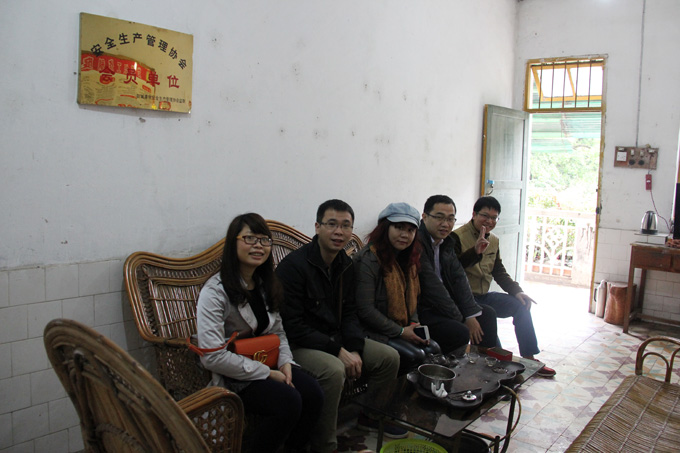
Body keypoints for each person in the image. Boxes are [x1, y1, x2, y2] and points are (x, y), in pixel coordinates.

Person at [276, 200, 402, 452]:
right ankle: (324, 445)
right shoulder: (294, 267)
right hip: (298, 345)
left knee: (389, 357)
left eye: (346, 226)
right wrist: (338, 351)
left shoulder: (345, 264)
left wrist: (353, 347)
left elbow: (350, 313)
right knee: (334, 370)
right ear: (317, 227)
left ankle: (370, 415)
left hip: (335, 339)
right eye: (332, 224)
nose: (339, 232)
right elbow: (292, 326)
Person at [196, 213, 324, 453]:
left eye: (264, 240)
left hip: (268, 361)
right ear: (233, 243)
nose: (258, 246)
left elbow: (278, 332)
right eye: (250, 238)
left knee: (313, 393)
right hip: (234, 375)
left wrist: (285, 363)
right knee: (289, 401)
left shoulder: (265, 284)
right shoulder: (215, 291)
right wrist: (266, 373)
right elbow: (211, 356)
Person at [354, 202, 469, 370]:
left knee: (434, 348)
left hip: (403, 325)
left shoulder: (409, 258)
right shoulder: (369, 259)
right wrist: (400, 331)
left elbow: (414, 298)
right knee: (415, 355)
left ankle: (429, 386)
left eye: (410, 230)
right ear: (385, 228)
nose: (405, 235)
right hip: (372, 330)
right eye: (398, 227)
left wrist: (414, 323)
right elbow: (365, 310)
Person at [452, 196, 556, 377]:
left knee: (521, 305)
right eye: (485, 216)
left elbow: (498, 271)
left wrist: (517, 291)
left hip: (484, 296)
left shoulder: (493, 240)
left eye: (494, 218)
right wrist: (474, 252)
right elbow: (452, 272)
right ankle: (493, 365)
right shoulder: (456, 237)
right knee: (489, 318)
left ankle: (529, 358)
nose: (489, 221)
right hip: (466, 299)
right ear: (474, 214)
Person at [418, 195, 498, 350]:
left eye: (450, 219)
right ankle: (451, 364)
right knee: (459, 330)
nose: (445, 224)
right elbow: (432, 287)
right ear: (425, 217)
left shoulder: (446, 242)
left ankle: (484, 362)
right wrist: (462, 318)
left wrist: (470, 314)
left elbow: (459, 278)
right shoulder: (418, 243)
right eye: (439, 217)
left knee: (487, 314)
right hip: (424, 307)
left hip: (444, 303)